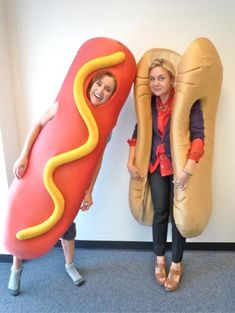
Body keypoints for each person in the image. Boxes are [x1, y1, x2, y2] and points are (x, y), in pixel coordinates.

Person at [8, 70, 117, 296]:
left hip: (68, 183)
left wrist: (89, 190)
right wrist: (23, 155)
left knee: (66, 223)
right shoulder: (63, 105)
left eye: (108, 89)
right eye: (99, 84)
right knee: (26, 218)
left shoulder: (105, 124)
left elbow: (97, 159)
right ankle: (16, 267)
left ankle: (69, 264)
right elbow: (37, 125)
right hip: (39, 173)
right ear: (90, 84)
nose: (101, 91)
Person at [127, 58, 204, 292]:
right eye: (152, 79)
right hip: (155, 166)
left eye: (161, 78)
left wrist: (188, 169)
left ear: (172, 80)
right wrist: (130, 161)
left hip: (180, 167)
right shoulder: (147, 104)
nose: (156, 83)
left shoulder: (187, 102)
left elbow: (199, 136)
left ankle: (177, 263)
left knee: (179, 215)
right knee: (161, 211)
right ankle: (160, 258)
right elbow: (138, 133)